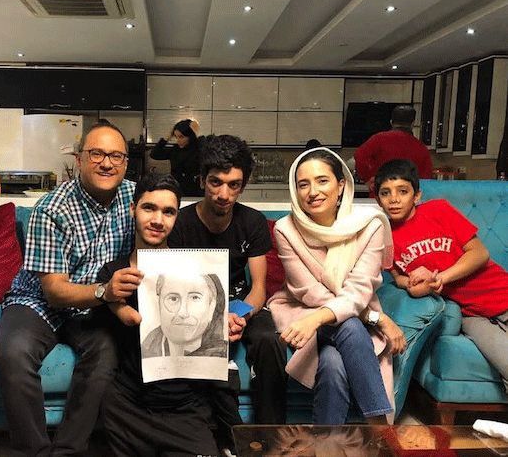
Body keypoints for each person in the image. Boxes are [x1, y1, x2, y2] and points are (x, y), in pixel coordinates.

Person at [0, 120, 135, 456]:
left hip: (92, 309)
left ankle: (68, 451)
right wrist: (105, 292)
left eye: (116, 156)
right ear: (79, 159)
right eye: (97, 154)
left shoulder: (135, 197)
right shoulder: (51, 209)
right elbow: (55, 292)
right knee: (13, 352)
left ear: (126, 163)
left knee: (106, 354)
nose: (107, 163)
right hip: (39, 300)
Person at [268, 147, 406, 425]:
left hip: (339, 316)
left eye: (322, 181)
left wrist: (325, 317)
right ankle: (380, 429)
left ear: (341, 185)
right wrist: (376, 318)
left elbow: (359, 289)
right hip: (303, 313)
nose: (313, 192)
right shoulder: (285, 229)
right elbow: (309, 292)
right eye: (303, 184)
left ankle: (326, 443)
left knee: (333, 364)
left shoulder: (370, 226)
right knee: (350, 325)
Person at [168, 133, 287, 450]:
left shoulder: (253, 221)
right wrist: (211, 321)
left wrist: (238, 316)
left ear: (243, 186)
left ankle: (271, 437)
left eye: (233, 185)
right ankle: (219, 436)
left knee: (270, 340)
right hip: (195, 307)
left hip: (241, 304)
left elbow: (259, 287)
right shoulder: (180, 224)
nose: (224, 194)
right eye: (216, 183)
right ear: (202, 180)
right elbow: (173, 288)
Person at [98, 172, 221, 457]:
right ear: (133, 208)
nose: (157, 220)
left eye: (168, 212)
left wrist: (222, 323)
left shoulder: (196, 270)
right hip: (128, 407)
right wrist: (111, 298)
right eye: (149, 208)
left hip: (186, 409)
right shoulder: (114, 275)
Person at [375, 159, 508, 391]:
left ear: (417, 196)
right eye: (386, 193)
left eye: (402, 191)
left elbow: (480, 253)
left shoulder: (438, 210)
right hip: (471, 316)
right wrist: (415, 284)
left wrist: (441, 278)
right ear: (378, 200)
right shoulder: (384, 237)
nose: (394, 199)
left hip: (500, 293)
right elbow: (399, 279)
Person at [141, 272, 227, 358]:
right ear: (159, 304)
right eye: (173, 299)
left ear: (212, 306)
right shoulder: (145, 352)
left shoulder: (226, 355)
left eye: (195, 298)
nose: (183, 313)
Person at [354, 105, 433, 197]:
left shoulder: (378, 139)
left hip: (381, 196)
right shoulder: (421, 147)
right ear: (412, 124)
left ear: (391, 122)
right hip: (406, 198)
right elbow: (425, 179)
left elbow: (359, 156)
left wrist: (368, 178)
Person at [150, 118, 204, 197]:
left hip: (194, 191)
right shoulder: (175, 149)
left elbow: (207, 152)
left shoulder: (198, 149)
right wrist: (167, 137)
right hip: (176, 189)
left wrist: (198, 134)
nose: (178, 140)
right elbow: (154, 154)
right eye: (176, 137)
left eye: (181, 137)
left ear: (190, 136)